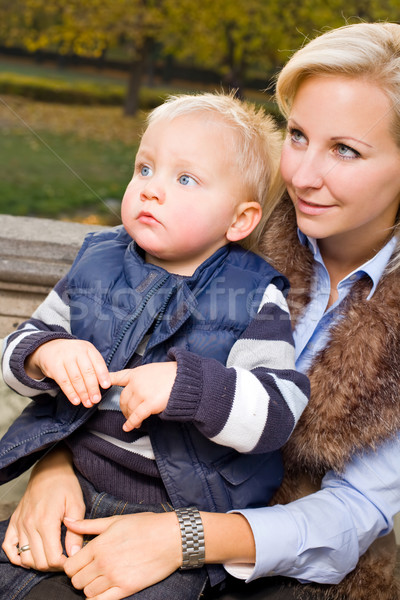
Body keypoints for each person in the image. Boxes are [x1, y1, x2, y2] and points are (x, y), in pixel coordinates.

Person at [3, 19, 400, 600]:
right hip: (115, 492)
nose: (302, 176)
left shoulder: (236, 250)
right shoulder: (212, 224)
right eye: (297, 135)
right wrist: (55, 467)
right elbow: (98, 345)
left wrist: (183, 537)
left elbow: (352, 512)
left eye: (345, 149)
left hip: (281, 556)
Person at [0, 92, 310, 599]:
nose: (152, 190)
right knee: (15, 566)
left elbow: (279, 410)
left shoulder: (254, 295)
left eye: (184, 179)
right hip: (79, 480)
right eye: (145, 168)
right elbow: (15, 348)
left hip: (180, 507)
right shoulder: (98, 262)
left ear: (239, 221)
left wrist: (191, 387)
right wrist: (45, 352)